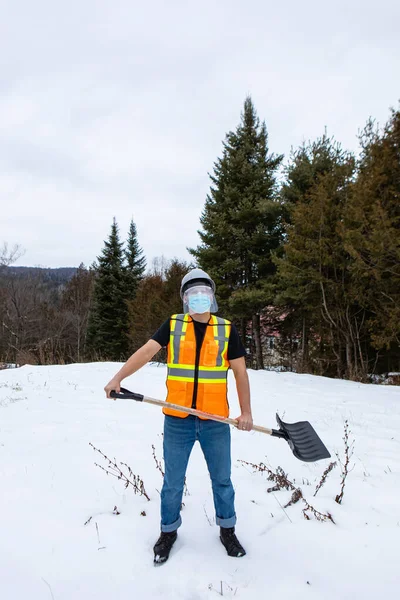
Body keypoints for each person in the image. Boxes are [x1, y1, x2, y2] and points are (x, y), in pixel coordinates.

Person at [104, 268, 253, 565]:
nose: (199, 298)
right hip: (178, 421)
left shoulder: (226, 329)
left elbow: (240, 373)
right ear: (185, 299)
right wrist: (117, 377)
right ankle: (168, 532)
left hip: (215, 422)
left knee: (222, 480)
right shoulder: (173, 325)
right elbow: (146, 352)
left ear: (212, 297)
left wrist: (246, 412)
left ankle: (227, 529)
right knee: (173, 482)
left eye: (204, 293)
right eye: (192, 294)